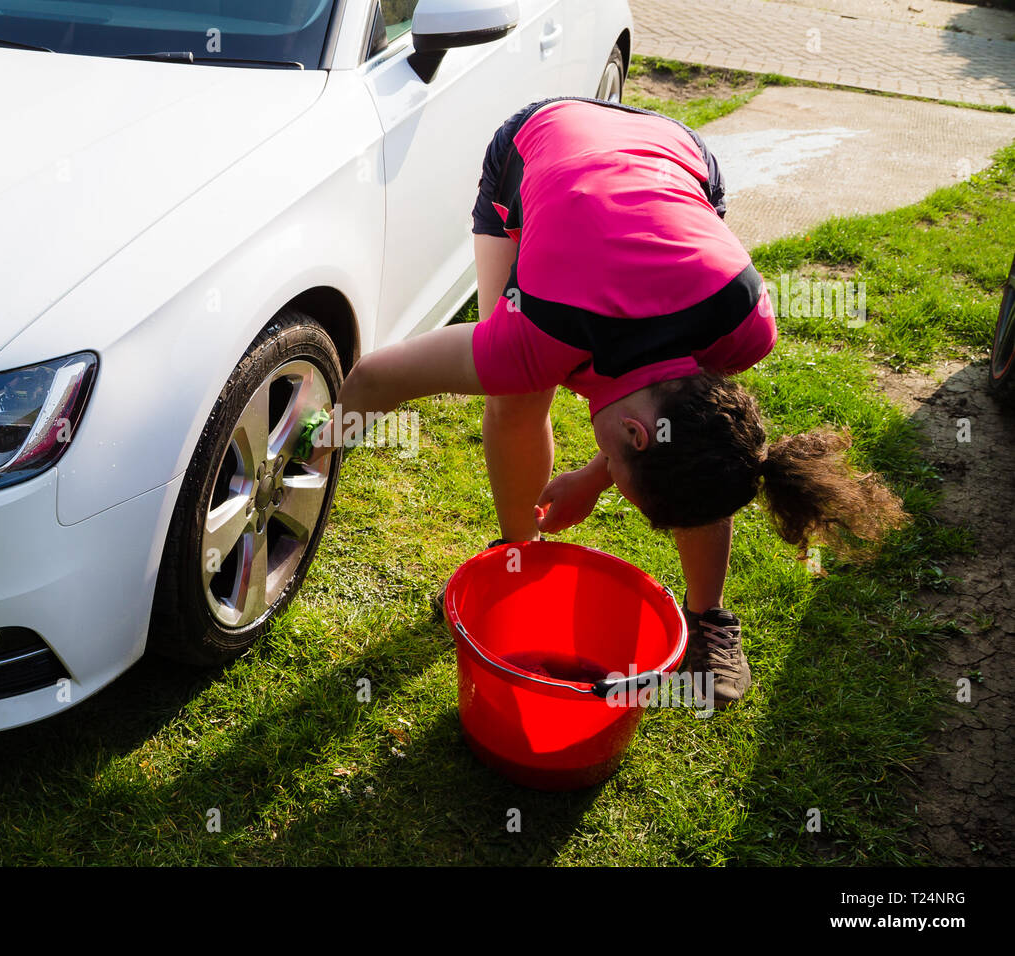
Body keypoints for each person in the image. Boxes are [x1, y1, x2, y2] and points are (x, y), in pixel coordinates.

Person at [301, 96, 905, 704]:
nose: (608, 477)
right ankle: (518, 556)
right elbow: (382, 376)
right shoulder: (531, 339)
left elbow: (698, 441)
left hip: (673, 163)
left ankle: (710, 620)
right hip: (539, 144)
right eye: (617, 468)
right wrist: (321, 451)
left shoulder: (744, 324)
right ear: (636, 436)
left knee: (705, 459)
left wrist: (595, 476)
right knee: (516, 397)